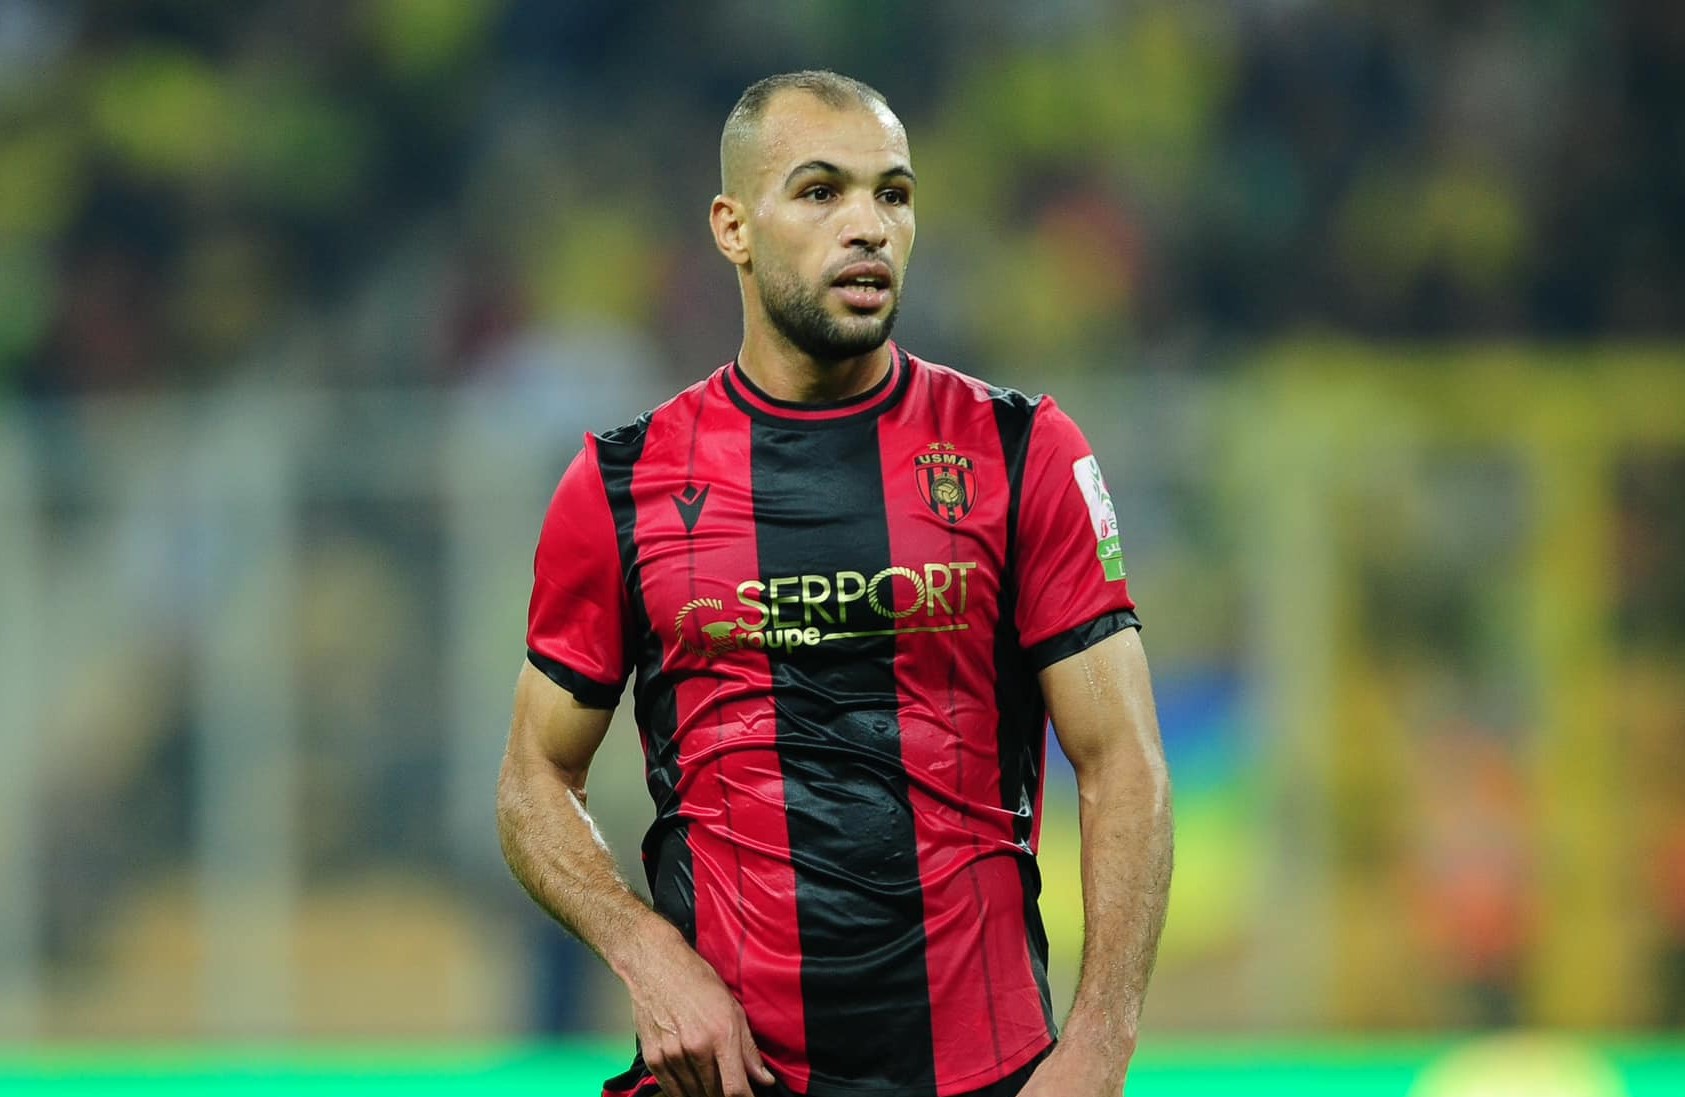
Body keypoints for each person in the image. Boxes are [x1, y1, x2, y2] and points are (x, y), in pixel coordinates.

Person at [497, 70, 1173, 1097]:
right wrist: (646, 953)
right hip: (732, 1077)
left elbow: (1121, 758)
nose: (867, 225)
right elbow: (532, 780)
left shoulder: (1019, 452)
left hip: (985, 1073)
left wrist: (1099, 1044)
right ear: (732, 227)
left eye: (891, 194)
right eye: (820, 191)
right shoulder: (622, 484)